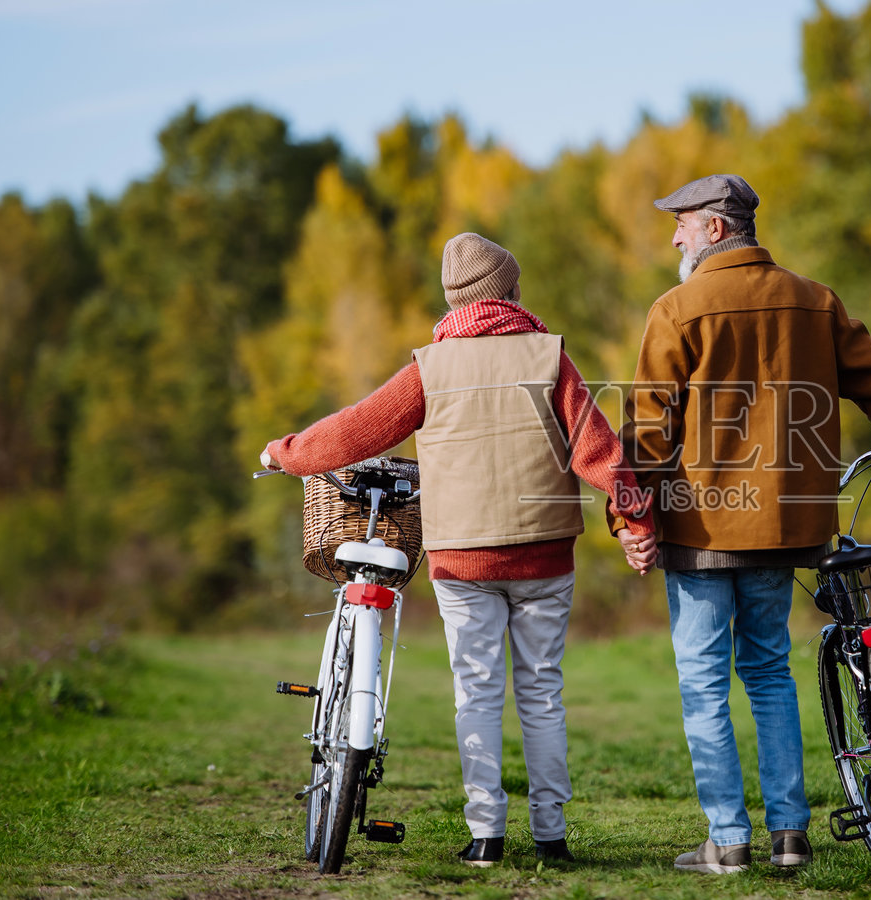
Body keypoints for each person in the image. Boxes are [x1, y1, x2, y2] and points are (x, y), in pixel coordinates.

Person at [261, 232, 654, 868]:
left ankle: (486, 835)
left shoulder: (430, 367)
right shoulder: (549, 355)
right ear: (510, 292)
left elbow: (358, 429)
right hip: (544, 554)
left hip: (462, 560)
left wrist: (288, 451)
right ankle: (552, 836)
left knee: (475, 689)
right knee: (542, 690)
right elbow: (598, 448)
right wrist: (632, 513)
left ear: (456, 300)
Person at [616, 174, 871, 874]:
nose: (675, 236)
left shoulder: (676, 310)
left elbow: (647, 431)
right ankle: (790, 834)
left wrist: (632, 515)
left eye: (683, 224)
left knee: (703, 681)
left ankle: (727, 839)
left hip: (701, 531)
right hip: (788, 528)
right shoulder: (815, 302)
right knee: (768, 672)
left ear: (717, 229)